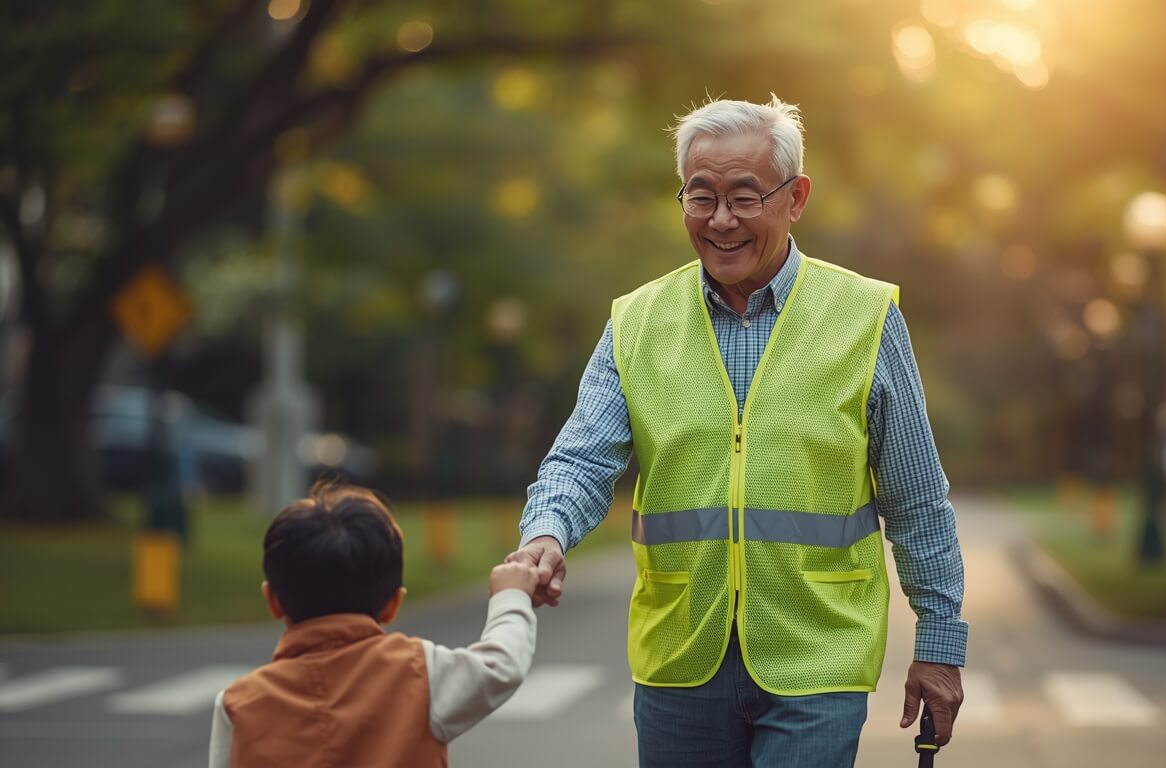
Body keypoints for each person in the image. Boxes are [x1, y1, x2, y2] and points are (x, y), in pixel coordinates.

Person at [507, 94, 967, 767]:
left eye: (745, 197)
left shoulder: (865, 317)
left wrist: (940, 643)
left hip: (818, 659)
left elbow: (917, 500)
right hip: (679, 659)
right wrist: (543, 535)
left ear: (796, 197)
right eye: (701, 197)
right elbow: (580, 460)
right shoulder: (636, 323)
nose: (721, 220)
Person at [208, 480, 538, 768]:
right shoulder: (419, 673)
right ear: (394, 603)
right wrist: (510, 596)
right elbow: (502, 665)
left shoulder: (238, 704)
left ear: (272, 601)